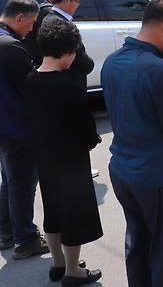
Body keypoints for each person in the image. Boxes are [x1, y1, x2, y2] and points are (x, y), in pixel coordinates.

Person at [101, 0, 163, 287]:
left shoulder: (112, 62)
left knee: (137, 241)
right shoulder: (160, 71)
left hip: (122, 169)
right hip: (156, 175)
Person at [25, 17, 103, 286]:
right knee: (75, 216)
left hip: (45, 157)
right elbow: (85, 129)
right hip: (71, 159)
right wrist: (92, 141)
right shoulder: (67, 86)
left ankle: (58, 264)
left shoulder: (31, 78)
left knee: (53, 212)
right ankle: (73, 271)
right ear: (70, 52)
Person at [0, 0, 49, 260]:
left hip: (4, 127)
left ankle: (7, 233)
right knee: (22, 184)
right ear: (19, 18)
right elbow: (31, 88)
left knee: (9, 181)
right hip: (18, 127)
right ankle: (26, 238)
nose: (31, 30)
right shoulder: (11, 47)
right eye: (30, 24)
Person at [23, 0, 94, 90]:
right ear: (66, 0)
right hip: (67, 85)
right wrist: (89, 66)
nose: (78, 5)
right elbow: (82, 60)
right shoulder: (62, 25)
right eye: (77, 1)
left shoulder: (45, 17)